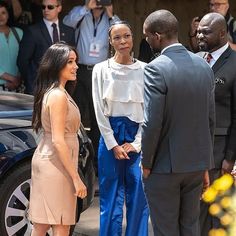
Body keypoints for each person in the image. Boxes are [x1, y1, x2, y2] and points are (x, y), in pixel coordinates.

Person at [141, 10, 215, 236]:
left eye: (147, 36)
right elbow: (209, 119)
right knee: (190, 228)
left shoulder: (155, 68)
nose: (146, 41)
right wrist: (205, 162)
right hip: (195, 165)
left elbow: (152, 122)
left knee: (166, 230)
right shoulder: (204, 65)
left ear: (157, 36)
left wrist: (146, 162)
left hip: (163, 166)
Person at [92, 21, 149, 236]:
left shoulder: (145, 69)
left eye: (127, 36)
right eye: (117, 37)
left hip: (136, 135)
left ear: (133, 38)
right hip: (110, 135)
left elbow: (149, 110)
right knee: (110, 195)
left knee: (138, 195)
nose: (123, 41)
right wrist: (113, 144)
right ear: (110, 41)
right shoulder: (100, 69)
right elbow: (98, 108)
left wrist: (137, 142)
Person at [29, 43, 87, 236]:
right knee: (57, 224)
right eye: (70, 62)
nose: (76, 66)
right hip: (56, 164)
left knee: (47, 223)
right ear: (56, 64)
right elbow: (58, 140)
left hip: (54, 161)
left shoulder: (57, 92)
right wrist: (76, 178)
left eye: (76, 61)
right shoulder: (57, 96)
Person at [63, 0, 119, 160]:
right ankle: (75, 153)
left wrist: (111, 14)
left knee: (98, 115)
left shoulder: (110, 19)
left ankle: (96, 159)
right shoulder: (81, 13)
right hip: (79, 70)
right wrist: (86, 8)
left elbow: (121, 30)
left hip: (100, 72)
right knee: (76, 111)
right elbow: (67, 23)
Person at [196, 12, 236, 235]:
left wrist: (230, 157)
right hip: (194, 151)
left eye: (206, 31)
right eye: (199, 30)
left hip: (220, 151)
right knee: (197, 211)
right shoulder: (197, 58)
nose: (199, 34)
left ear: (222, 33)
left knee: (218, 215)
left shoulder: (235, 63)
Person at [17, 0, 75, 94]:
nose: (46, 10)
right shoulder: (32, 31)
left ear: (59, 8)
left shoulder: (69, 32)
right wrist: (32, 81)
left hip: (63, 88)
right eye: (43, 7)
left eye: (50, 7)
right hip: (38, 88)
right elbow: (22, 61)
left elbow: (71, 59)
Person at [0, 0, 22, 91]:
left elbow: (25, 58)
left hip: (18, 86)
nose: (0, 17)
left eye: (3, 13)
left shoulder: (18, 33)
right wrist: (12, 79)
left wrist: (19, 78)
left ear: (8, 15)